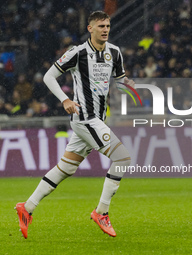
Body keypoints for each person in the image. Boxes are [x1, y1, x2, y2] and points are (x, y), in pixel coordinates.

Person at [15, 11, 134, 239]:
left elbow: (119, 81)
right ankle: (102, 212)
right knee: (122, 158)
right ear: (90, 28)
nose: (106, 30)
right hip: (85, 118)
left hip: (98, 119)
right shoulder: (77, 53)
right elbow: (49, 76)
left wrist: (128, 85)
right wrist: (65, 99)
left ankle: (27, 207)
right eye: (101, 26)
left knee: (66, 168)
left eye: (108, 25)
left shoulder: (115, 52)